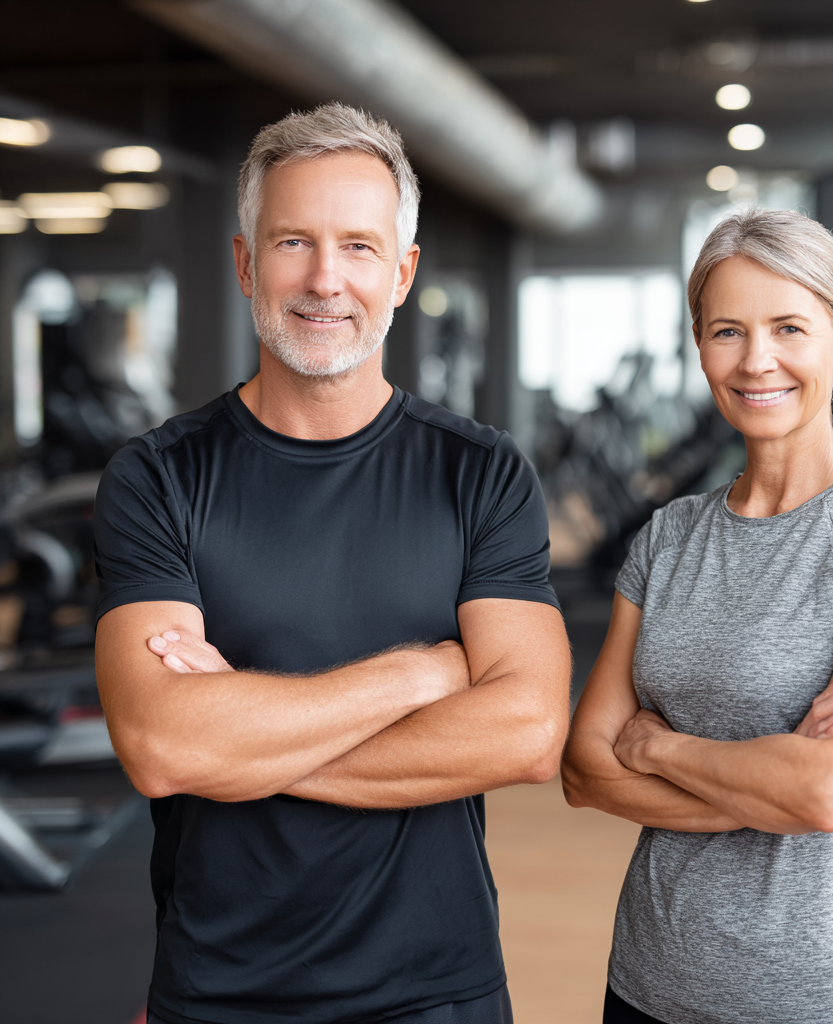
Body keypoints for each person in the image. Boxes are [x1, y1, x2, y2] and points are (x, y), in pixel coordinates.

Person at [93, 103, 571, 1024]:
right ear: (243, 263)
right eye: (292, 243)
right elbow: (163, 746)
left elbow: (526, 733)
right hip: (220, 992)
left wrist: (237, 739)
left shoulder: (480, 472)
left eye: (358, 246)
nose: (324, 279)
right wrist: (423, 671)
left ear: (402, 273)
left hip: (437, 990)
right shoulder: (157, 476)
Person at [561, 207, 833, 1024]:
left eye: (788, 327)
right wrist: (769, 775)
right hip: (645, 983)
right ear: (698, 342)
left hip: (818, 999)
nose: (757, 360)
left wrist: (659, 746)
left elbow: (829, 791)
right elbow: (586, 770)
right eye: (728, 331)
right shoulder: (668, 536)